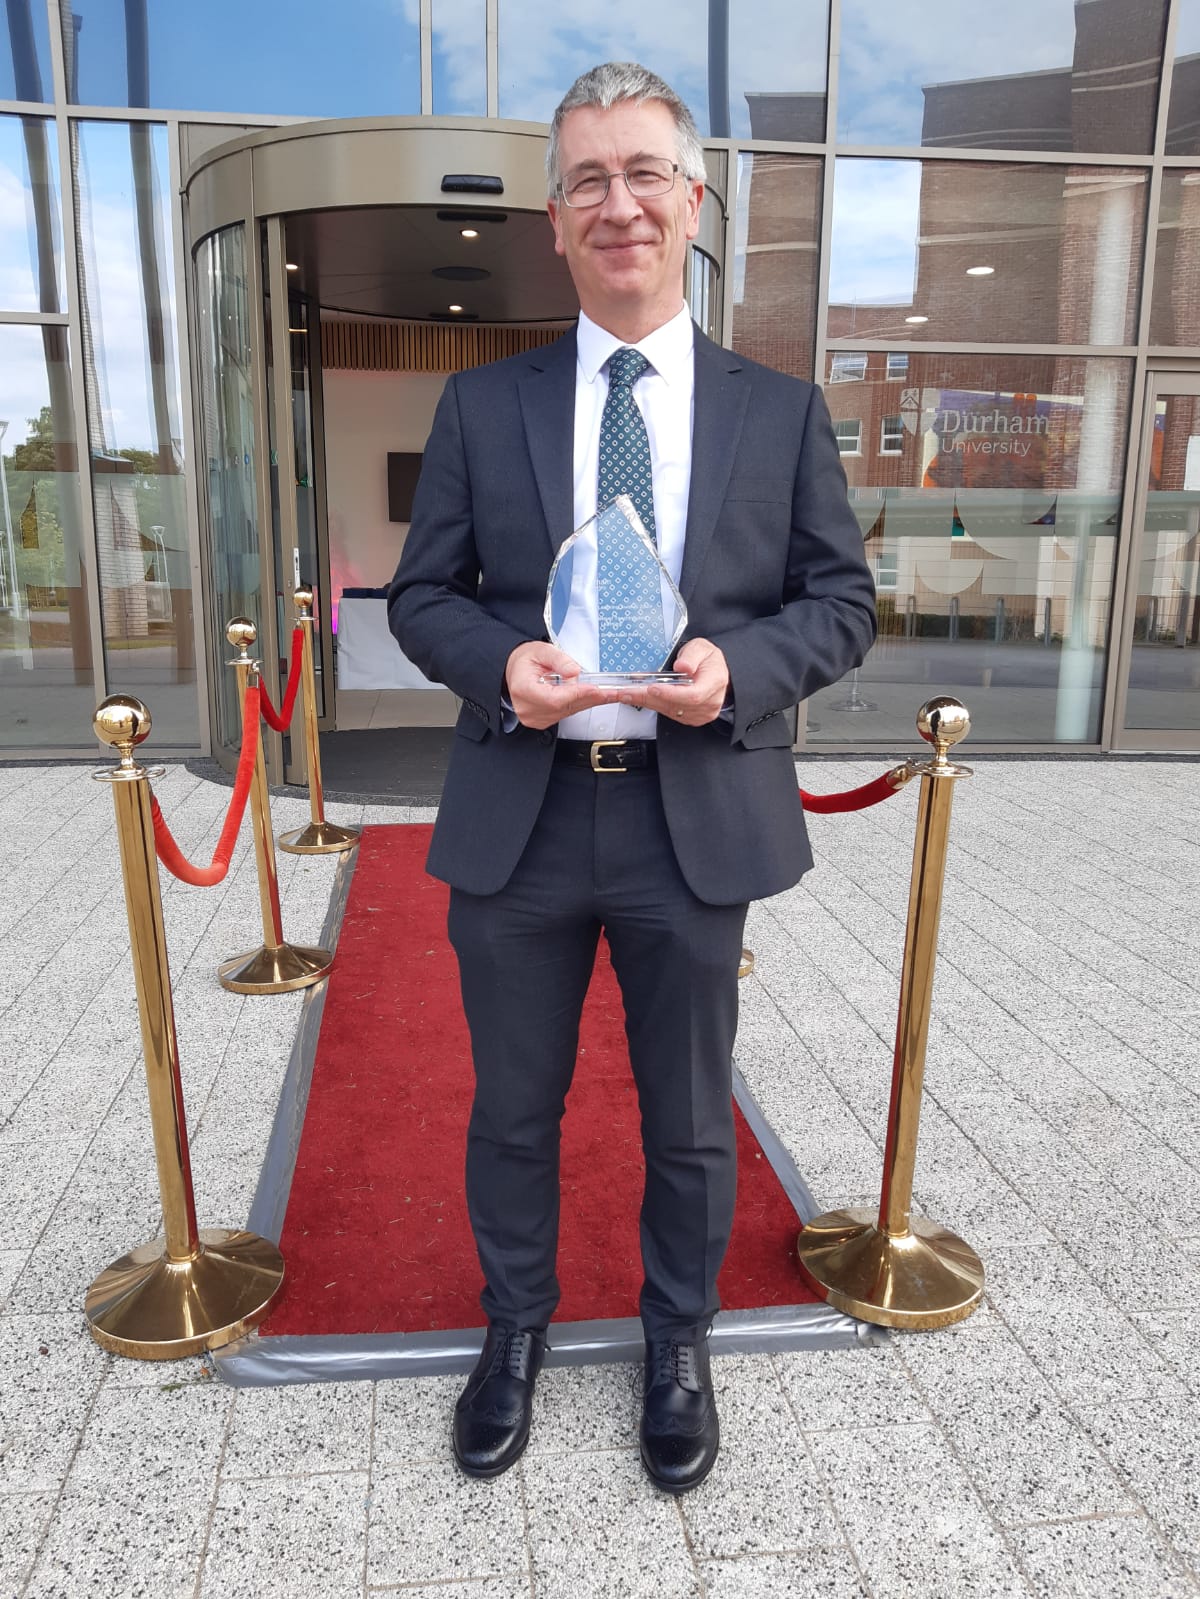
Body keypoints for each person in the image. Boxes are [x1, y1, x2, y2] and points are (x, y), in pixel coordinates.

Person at [388, 61, 876, 1493]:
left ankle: (678, 1346)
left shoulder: (778, 413)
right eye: (589, 178)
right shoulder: (485, 409)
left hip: (692, 815)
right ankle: (516, 1332)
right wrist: (500, 666)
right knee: (512, 1110)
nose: (621, 203)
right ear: (554, 217)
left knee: (687, 1115)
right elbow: (424, 599)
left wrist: (744, 668)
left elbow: (841, 603)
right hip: (525, 812)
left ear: (692, 199)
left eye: (645, 172)